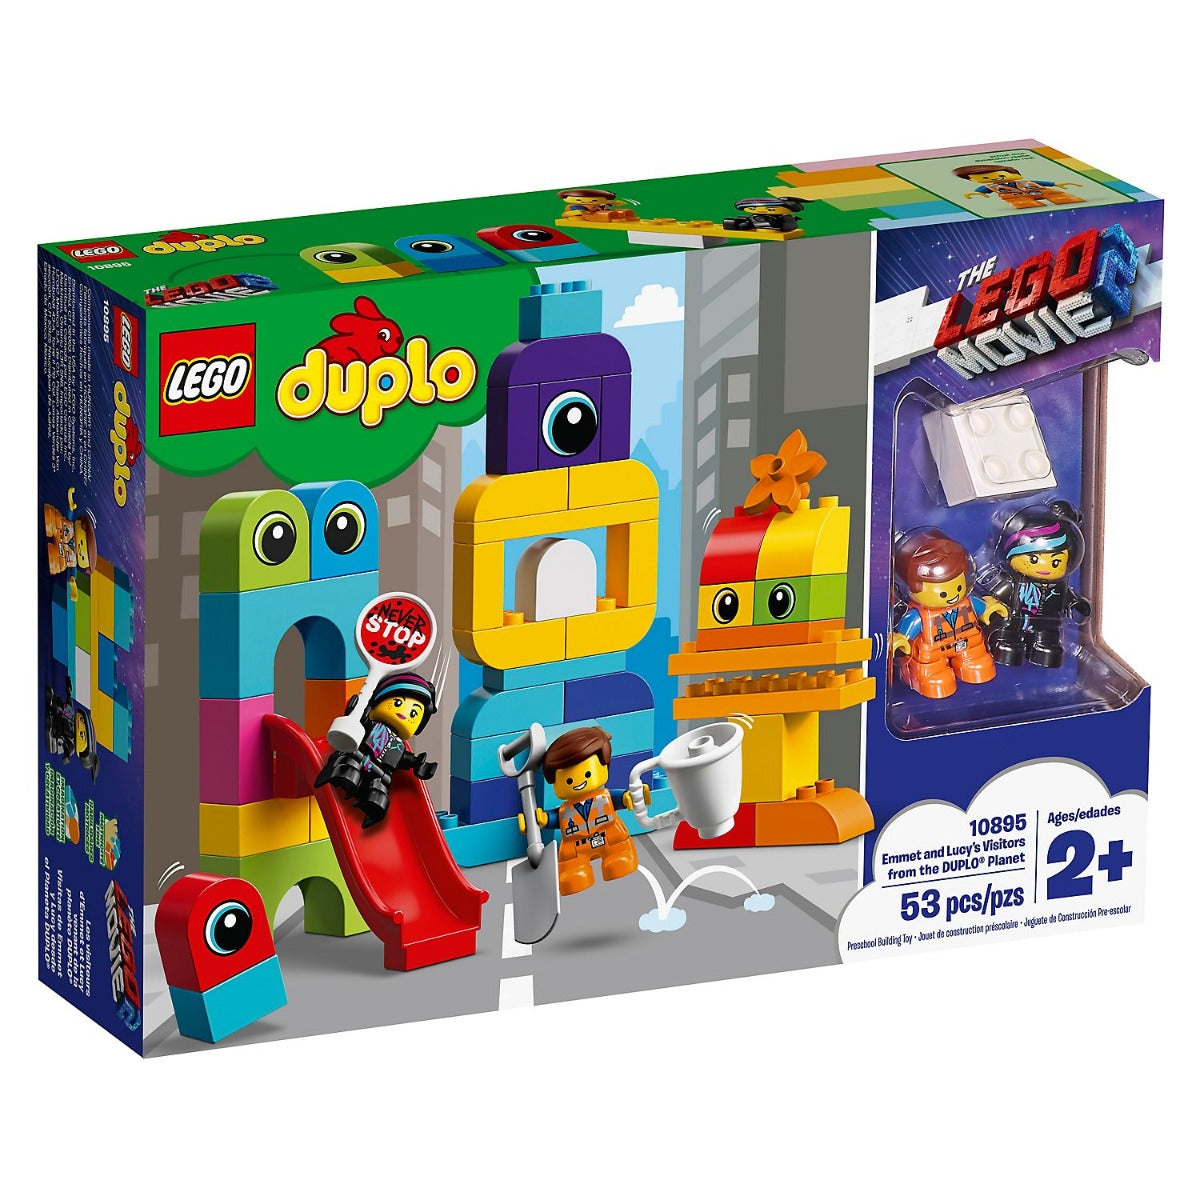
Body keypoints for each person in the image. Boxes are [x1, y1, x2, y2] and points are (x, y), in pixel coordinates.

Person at [315, 671, 438, 829]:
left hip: (380, 771)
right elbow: (360, 724)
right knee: (351, 757)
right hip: (361, 755)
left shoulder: (398, 745)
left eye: (414, 713)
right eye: (397, 703)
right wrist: (354, 712)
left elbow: (402, 758)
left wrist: (417, 763)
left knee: (382, 784)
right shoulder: (374, 726)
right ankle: (343, 775)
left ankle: (374, 807)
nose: (404, 714)